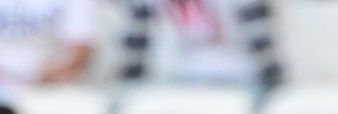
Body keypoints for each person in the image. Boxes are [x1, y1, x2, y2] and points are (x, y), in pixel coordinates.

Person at [115, 0, 283, 90]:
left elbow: (263, 49)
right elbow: (134, 56)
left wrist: (274, 88)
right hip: (173, 82)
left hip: (236, 82)